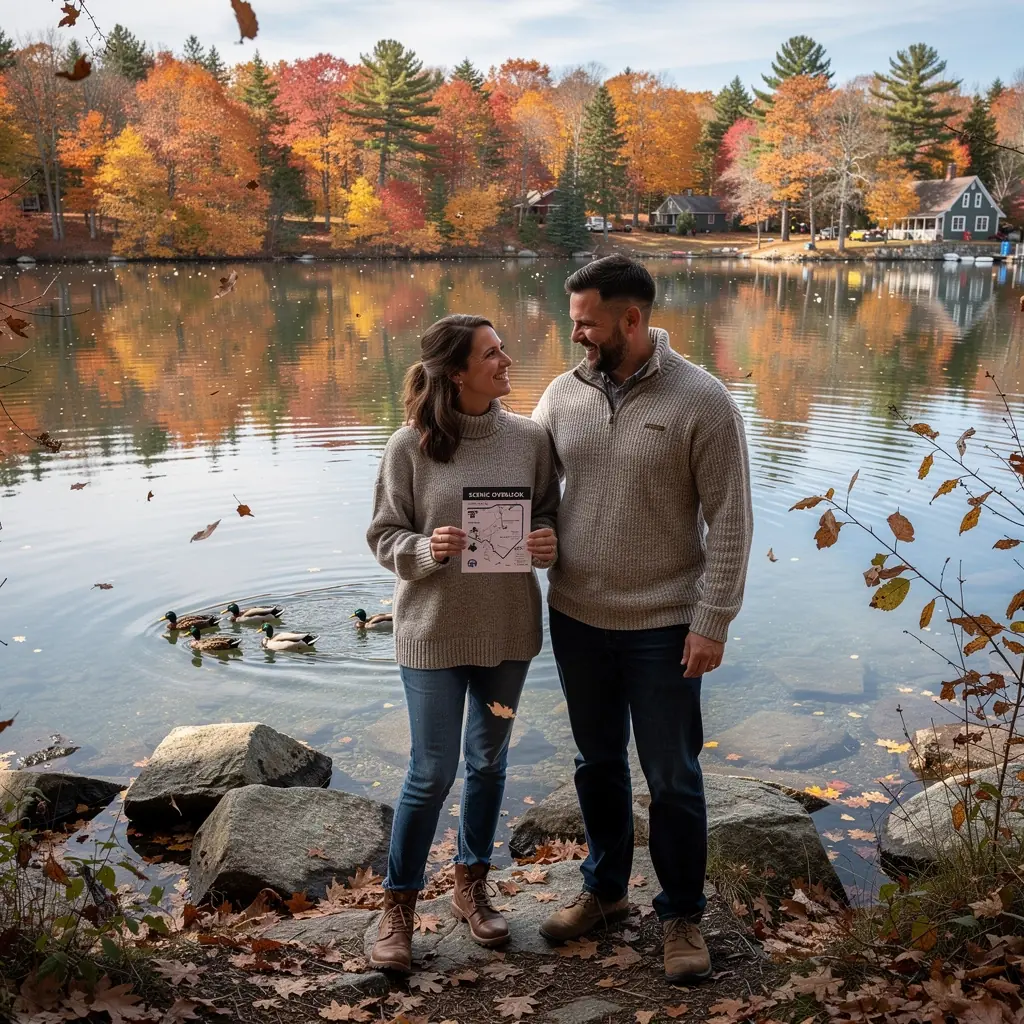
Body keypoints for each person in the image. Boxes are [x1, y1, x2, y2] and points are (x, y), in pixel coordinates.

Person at [532, 255, 753, 983]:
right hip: (577, 616)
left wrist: (711, 620)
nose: (578, 338)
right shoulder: (561, 397)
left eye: (587, 324)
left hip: (665, 625)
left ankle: (682, 914)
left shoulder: (703, 400)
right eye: (574, 324)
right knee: (596, 764)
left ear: (633, 319)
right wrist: (531, 535)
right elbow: (530, 492)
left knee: (672, 777)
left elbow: (731, 522)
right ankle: (605, 891)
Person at [366, 314, 559, 973]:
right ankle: (397, 907)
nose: (507, 360)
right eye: (491, 354)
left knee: (489, 762)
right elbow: (384, 535)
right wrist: (425, 548)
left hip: (508, 634)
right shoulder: (409, 448)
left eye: (502, 350)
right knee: (431, 771)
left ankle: (470, 886)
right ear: (457, 372)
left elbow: (552, 515)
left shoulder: (531, 439)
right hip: (432, 634)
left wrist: (547, 542)